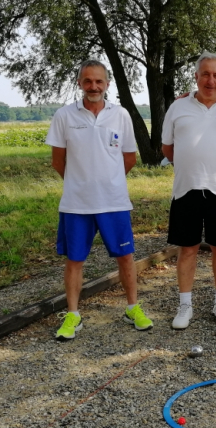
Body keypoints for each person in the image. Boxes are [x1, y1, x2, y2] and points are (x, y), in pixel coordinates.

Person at [46, 59, 153, 340]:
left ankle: (133, 308)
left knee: (126, 257)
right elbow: (59, 161)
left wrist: (108, 180)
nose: (93, 86)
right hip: (76, 204)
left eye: (99, 81)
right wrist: (81, 183)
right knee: (74, 260)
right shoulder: (64, 116)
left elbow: (129, 158)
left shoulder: (121, 115)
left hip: (114, 202)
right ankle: (73, 315)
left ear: (107, 84)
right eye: (88, 81)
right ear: (80, 83)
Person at [162, 51, 216, 329]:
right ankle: (185, 305)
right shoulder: (178, 107)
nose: (210, 80)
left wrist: (214, 171)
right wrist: (191, 166)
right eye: (205, 74)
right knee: (187, 249)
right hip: (186, 189)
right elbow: (167, 148)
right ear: (196, 77)